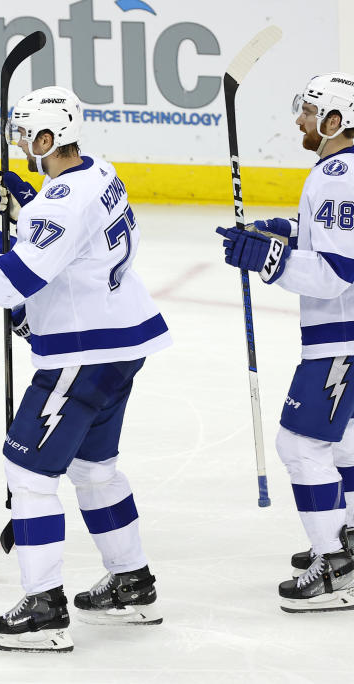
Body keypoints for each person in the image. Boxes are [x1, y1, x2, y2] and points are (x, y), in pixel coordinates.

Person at [0, 86, 171, 651]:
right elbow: (75, 243)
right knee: (93, 468)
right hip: (123, 341)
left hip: (84, 353)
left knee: (28, 472)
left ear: (49, 138)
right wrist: (29, 207)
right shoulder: (99, 172)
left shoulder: (60, 201)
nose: (21, 144)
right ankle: (132, 581)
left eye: (27, 135)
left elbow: (13, 282)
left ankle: (45, 608)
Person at [216, 72, 354, 613]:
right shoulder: (337, 170)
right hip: (344, 332)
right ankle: (346, 541)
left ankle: (332, 569)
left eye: (310, 111)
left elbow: (339, 270)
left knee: (299, 446)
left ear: (335, 121)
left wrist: (267, 260)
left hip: (341, 334)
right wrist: (284, 232)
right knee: (340, 444)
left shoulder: (339, 175)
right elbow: (328, 236)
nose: (300, 119)